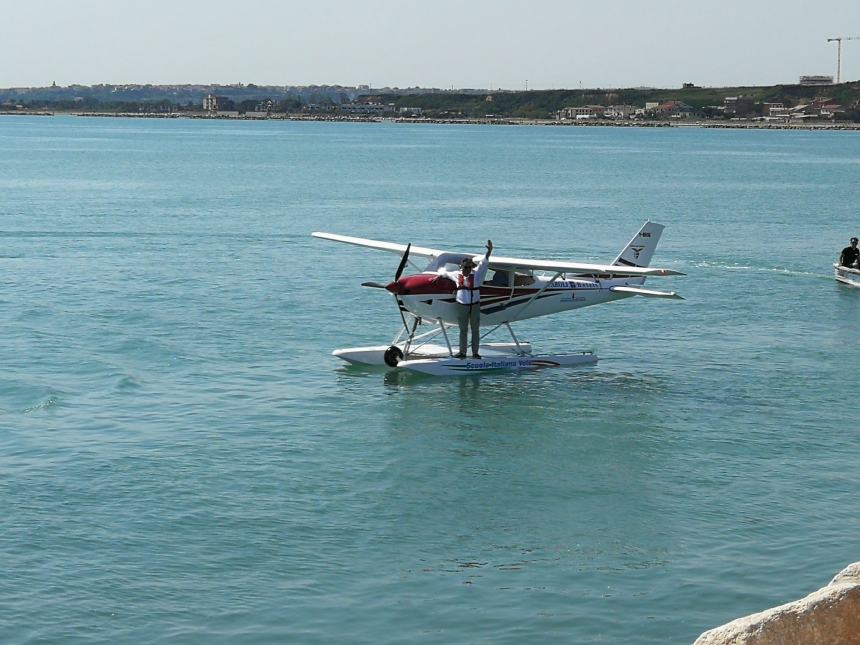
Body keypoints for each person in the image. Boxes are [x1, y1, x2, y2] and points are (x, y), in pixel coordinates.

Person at [441, 240, 493, 359]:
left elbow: (484, 263)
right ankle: (462, 352)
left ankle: (475, 353)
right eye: (465, 268)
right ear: (462, 267)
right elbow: (443, 273)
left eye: (469, 267)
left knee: (475, 329)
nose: (467, 270)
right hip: (461, 305)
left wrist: (489, 251)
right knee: (463, 330)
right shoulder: (456, 274)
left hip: (474, 305)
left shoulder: (478, 274)